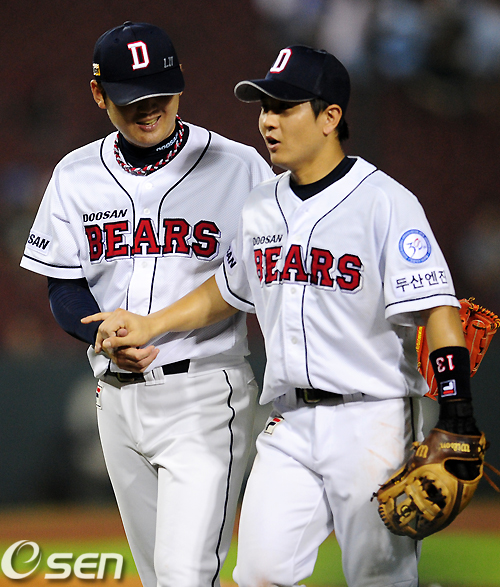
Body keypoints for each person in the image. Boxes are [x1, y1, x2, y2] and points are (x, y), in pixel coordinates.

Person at [83, 45, 482, 587]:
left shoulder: (384, 202)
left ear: (330, 117)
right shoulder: (260, 205)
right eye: (264, 107)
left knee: (378, 579)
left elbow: (437, 308)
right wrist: (152, 324)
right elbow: (228, 289)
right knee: (259, 573)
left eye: (284, 107)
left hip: (372, 418)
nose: (267, 121)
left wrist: (458, 415)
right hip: (288, 421)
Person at [20, 21, 273, 587]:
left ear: (180, 84)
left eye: (160, 93)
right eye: (132, 97)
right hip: (115, 398)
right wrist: (97, 333)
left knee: (185, 575)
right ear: (98, 94)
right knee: (160, 577)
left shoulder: (239, 167)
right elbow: (63, 284)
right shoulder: (75, 174)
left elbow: (262, 281)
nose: (149, 108)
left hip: (205, 392)